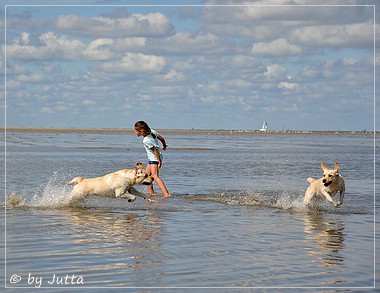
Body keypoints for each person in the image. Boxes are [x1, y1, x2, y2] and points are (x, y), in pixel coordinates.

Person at [134, 121, 171, 199]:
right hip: (153, 158)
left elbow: (155, 151)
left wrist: (159, 161)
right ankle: (151, 194)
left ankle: (166, 194)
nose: (135, 132)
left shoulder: (146, 140)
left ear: (141, 131)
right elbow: (162, 139)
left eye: (136, 130)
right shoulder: (152, 132)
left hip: (155, 158)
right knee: (147, 177)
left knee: (155, 176)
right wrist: (164, 146)